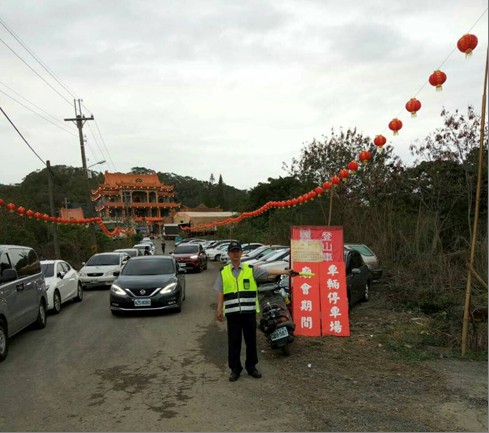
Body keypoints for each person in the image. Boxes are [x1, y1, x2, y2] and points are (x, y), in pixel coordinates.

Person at [214, 241, 297, 382]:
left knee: (251, 341)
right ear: (228, 254)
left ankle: (251, 367)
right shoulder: (224, 272)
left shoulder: (250, 269)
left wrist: (285, 272)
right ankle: (235, 369)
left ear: (241, 253)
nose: (235, 254)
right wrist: (219, 308)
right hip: (233, 314)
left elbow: (267, 271)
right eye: (232, 251)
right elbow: (221, 291)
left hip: (249, 313)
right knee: (234, 342)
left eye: (237, 251)